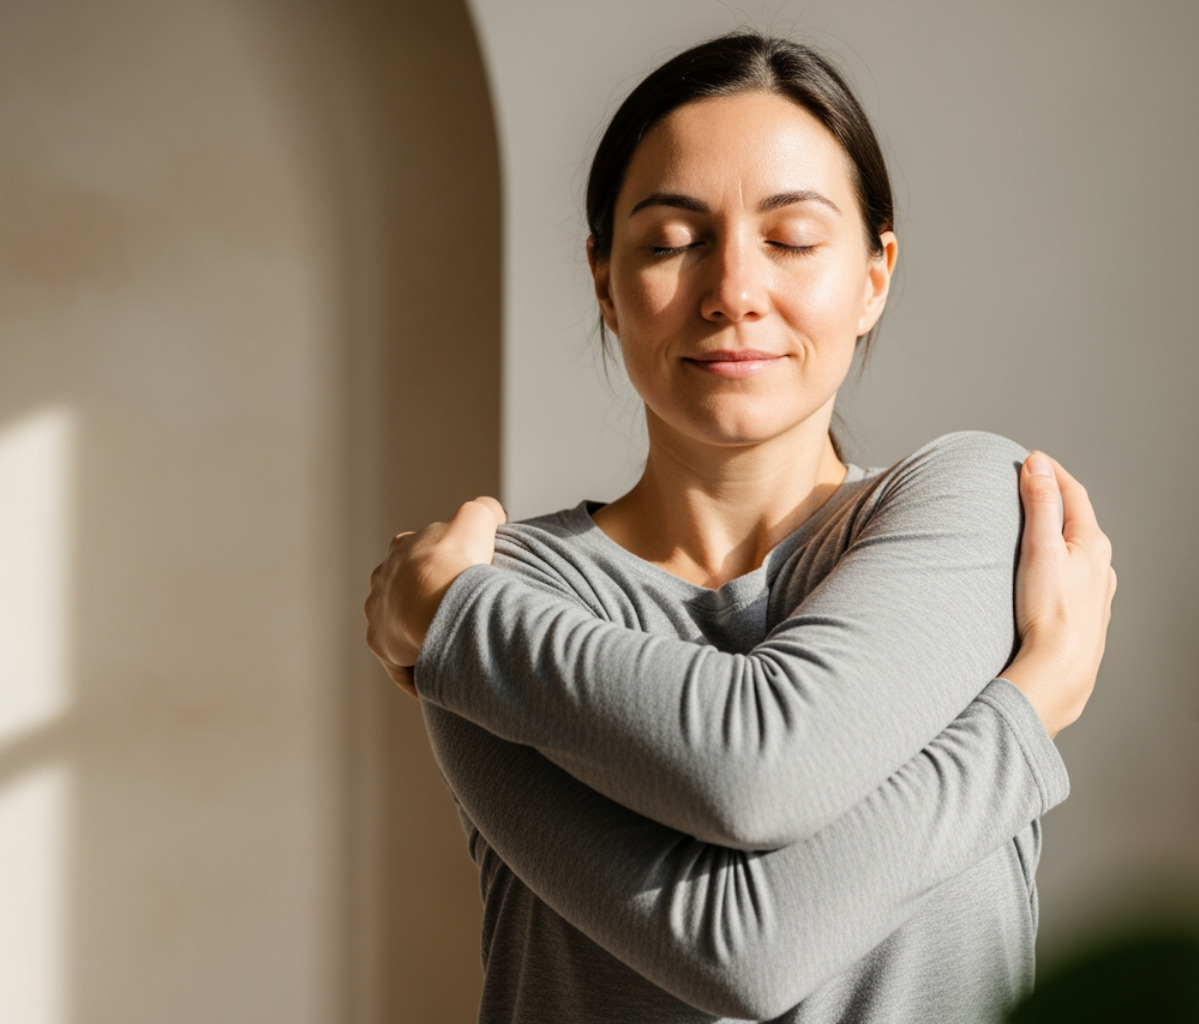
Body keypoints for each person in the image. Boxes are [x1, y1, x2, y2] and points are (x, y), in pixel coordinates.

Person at [364, 31, 1115, 1024]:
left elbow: (759, 769)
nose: (732, 293)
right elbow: (742, 944)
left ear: (875, 274)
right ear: (603, 276)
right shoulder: (509, 586)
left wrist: (454, 619)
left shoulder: (971, 503)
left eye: (793, 239)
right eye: (674, 241)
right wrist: (1019, 721)